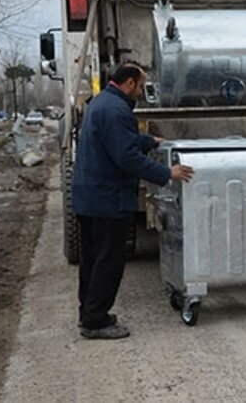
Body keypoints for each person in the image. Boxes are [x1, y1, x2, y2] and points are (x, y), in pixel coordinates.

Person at [72, 62, 194, 340]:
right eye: (140, 85)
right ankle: (96, 322)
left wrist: (148, 140)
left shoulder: (102, 103)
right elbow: (125, 157)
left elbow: (119, 141)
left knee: (92, 261)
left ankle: (89, 314)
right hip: (107, 201)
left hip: (90, 197)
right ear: (128, 83)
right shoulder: (116, 111)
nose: (141, 90)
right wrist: (167, 173)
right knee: (108, 262)